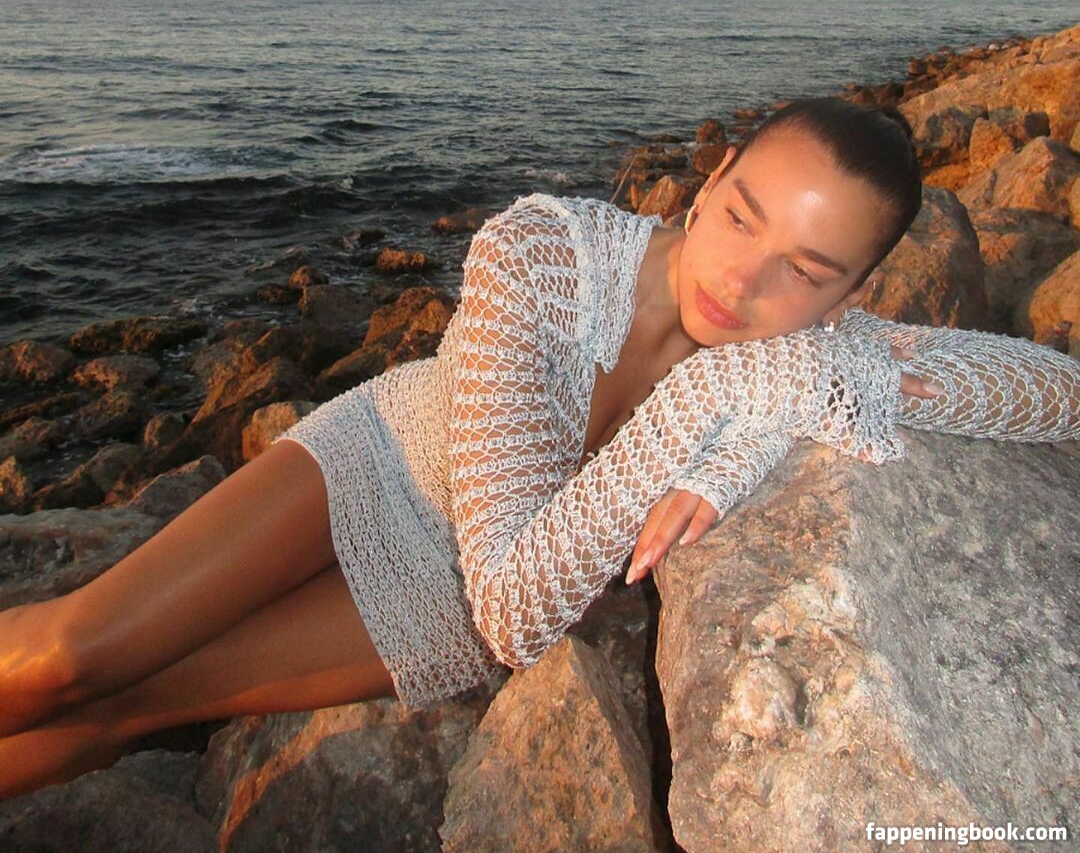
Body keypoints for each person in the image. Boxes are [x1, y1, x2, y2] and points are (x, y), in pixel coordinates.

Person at [0, 98, 1076, 799]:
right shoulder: (543, 250)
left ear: (852, 294)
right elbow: (527, 591)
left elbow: (1058, 394)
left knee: (134, 709)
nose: (743, 279)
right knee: (73, 656)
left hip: (452, 608)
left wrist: (760, 397)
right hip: (384, 461)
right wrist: (728, 400)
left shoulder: (813, 349)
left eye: (805, 270)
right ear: (711, 179)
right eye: (742, 217)